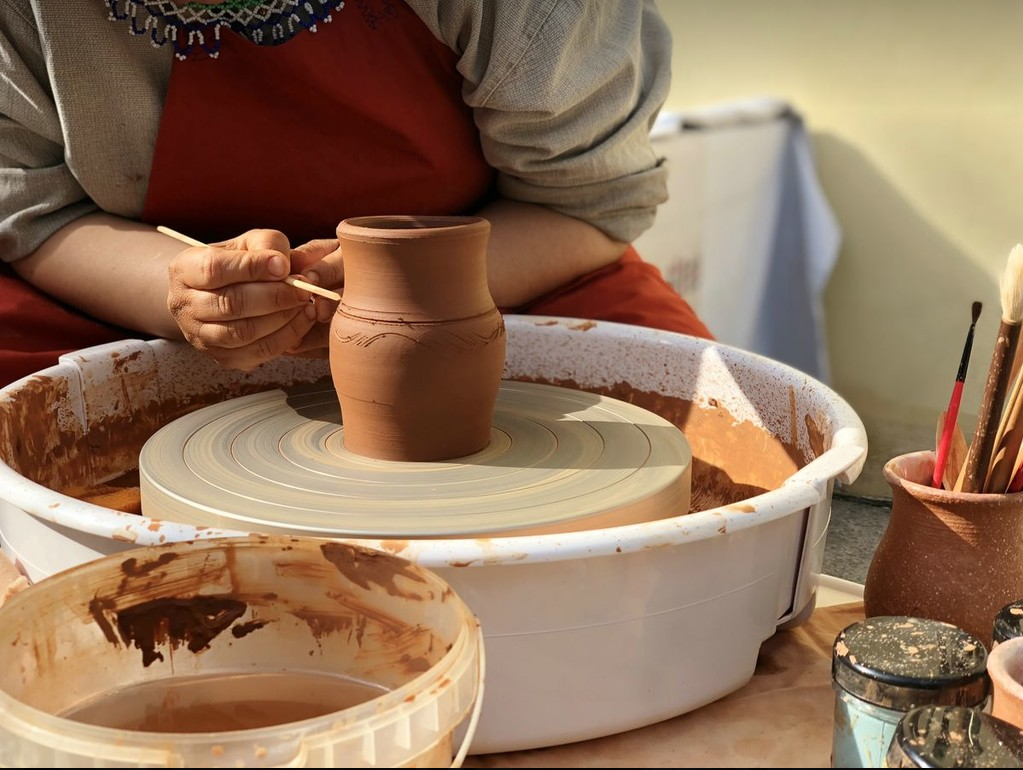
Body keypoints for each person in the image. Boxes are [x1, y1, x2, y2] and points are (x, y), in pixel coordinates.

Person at [0, 0, 712, 388]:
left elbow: (582, 204)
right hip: (117, 286)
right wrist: (188, 298)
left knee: (703, 435)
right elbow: (32, 214)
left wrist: (410, 286)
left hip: (493, 268)